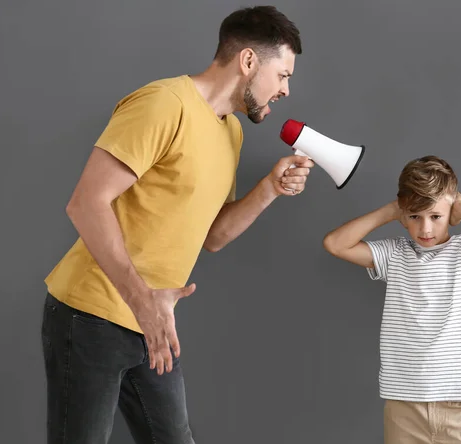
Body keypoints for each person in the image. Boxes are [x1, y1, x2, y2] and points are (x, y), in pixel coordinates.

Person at [41, 6, 313, 444]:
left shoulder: (231, 133)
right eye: (282, 75)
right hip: (89, 314)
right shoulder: (165, 103)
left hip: (151, 322)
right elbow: (86, 203)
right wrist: (143, 301)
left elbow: (213, 238)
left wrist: (269, 189)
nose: (286, 90)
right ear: (248, 62)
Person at [322, 155, 461, 444]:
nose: (425, 229)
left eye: (435, 216)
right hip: (404, 407)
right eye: (414, 217)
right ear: (403, 215)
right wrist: (390, 211)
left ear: (451, 212)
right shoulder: (394, 254)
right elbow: (335, 244)